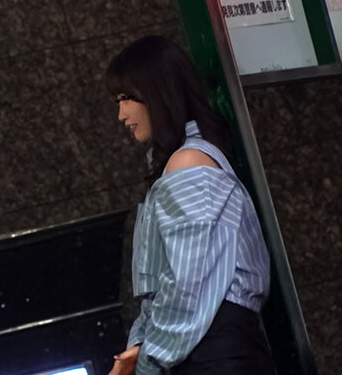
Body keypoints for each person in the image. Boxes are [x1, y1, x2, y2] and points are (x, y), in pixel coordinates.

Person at [105, 37, 275, 375]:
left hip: (215, 353)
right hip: (210, 349)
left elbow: (187, 286)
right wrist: (142, 348)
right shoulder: (183, 163)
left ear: (158, 92)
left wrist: (148, 361)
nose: (121, 114)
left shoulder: (189, 164)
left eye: (127, 98)